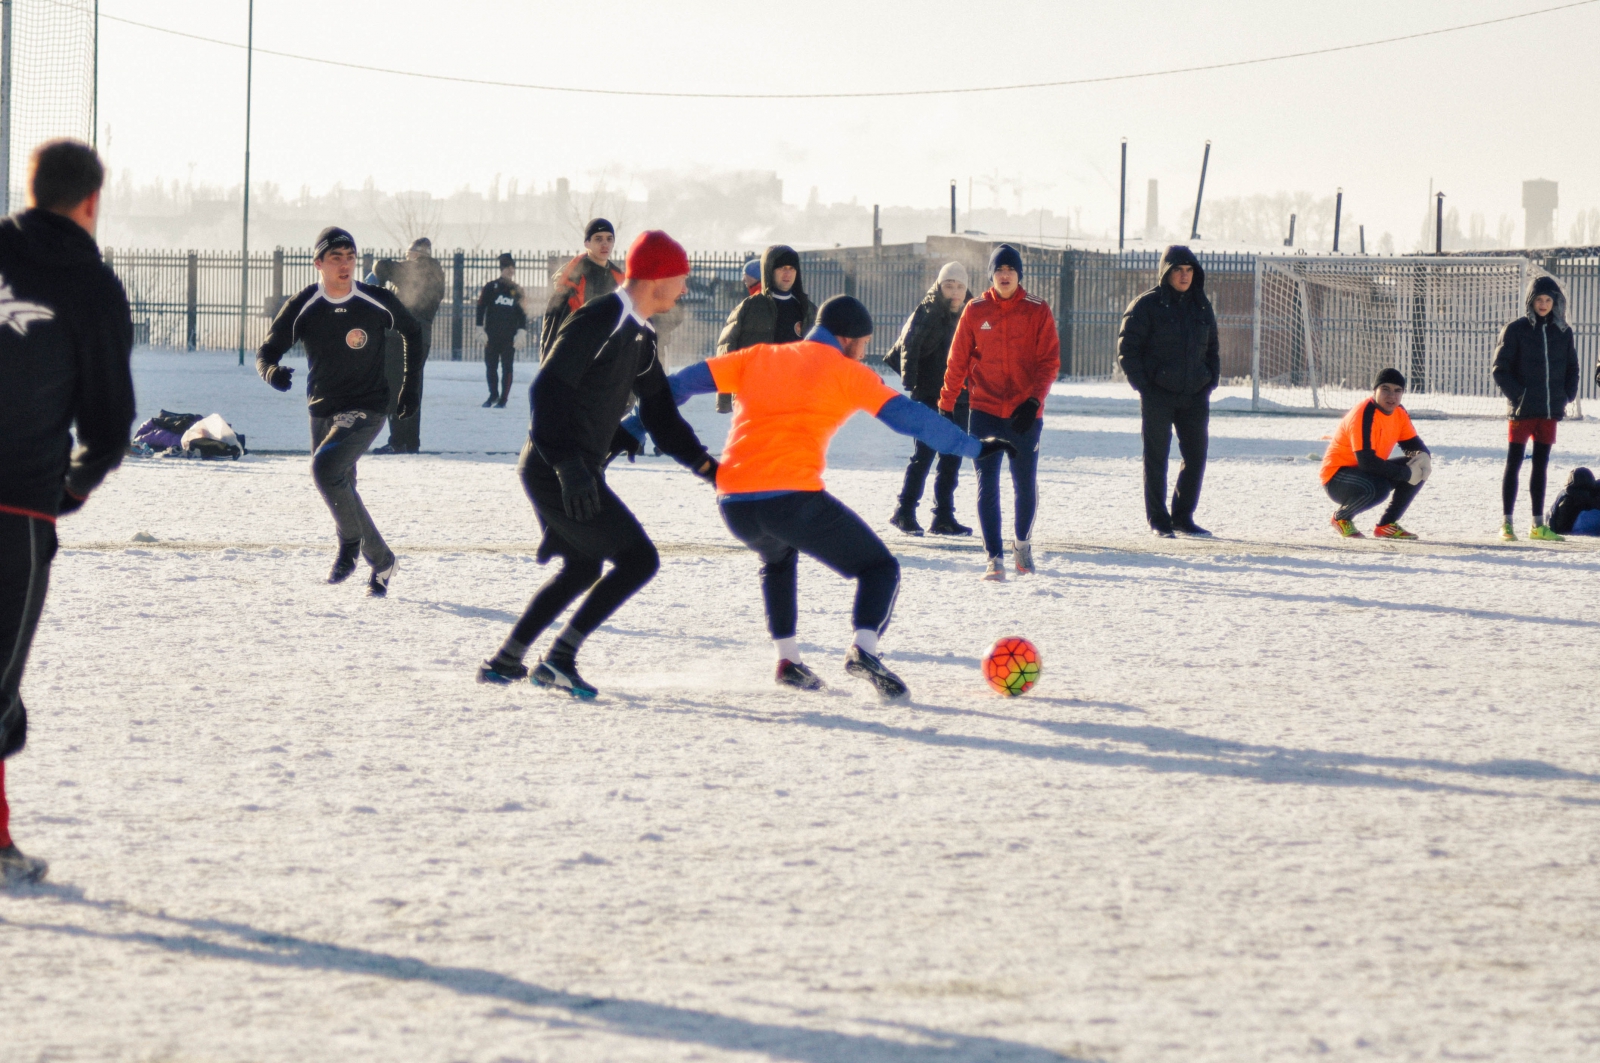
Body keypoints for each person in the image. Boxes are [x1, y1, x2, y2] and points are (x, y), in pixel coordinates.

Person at [643, 295, 1013, 698]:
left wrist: (630, 425)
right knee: (879, 568)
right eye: (864, 342)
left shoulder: (760, 356)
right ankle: (865, 650)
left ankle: (787, 660)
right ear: (847, 338)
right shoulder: (847, 372)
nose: (866, 351)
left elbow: (675, 386)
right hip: (790, 500)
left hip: (733, 502)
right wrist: (975, 447)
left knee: (778, 557)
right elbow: (913, 419)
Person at [477, 231, 719, 698]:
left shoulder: (642, 334)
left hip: (574, 467)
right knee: (638, 560)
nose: (685, 289)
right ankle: (558, 661)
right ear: (658, 278)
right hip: (554, 465)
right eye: (681, 279)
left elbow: (660, 415)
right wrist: (569, 467)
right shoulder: (602, 316)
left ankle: (507, 661)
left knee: (583, 568)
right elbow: (545, 390)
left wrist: (709, 469)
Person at [0, 139, 135, 884]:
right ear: (91, 200)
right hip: (16, 507)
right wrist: (70, 491)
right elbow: (111, 425)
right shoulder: (90, 283)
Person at [257, 226, 424, 595]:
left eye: (350, 256)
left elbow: (414, 332)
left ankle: (348, 546)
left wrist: (411, 387)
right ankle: (382, 562)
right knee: (341, 487)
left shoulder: (375, 299)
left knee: (324, 468)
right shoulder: (304, 304)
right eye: (336, 257)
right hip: (323, 409)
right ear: (318, 263)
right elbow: (266, 352)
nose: (345, 264)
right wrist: (272, 373)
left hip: (367, 407)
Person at [939, 244, 1059, 580]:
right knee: (986, 483)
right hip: (985, 409)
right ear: (991, 275)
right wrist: (946, 404)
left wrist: (1034, 401)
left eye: (1011, 269)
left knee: (1024, 483)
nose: (1005, 275)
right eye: (999, 270)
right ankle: (994, 558)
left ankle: (1021, 545)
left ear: (1019, 274)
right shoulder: (975, 310)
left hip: (1024, 413)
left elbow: (1049, 361)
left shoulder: (1037, 310)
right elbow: (957, 360)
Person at [1117, 245, 1220, 539]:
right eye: (1178, 270)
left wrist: (1210, 380)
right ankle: (1159, 521)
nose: (1184, 276)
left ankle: (1183, 517)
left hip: (1195, 395)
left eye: (1189, 270)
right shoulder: (1146, 305)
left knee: (1196, 456)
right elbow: (1127, 349)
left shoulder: (1202, 304)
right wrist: (1145, 386)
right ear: (1166, 272)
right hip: (1158, 395)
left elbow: (1212, 346)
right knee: (1156, 458)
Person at [887, 261, 974, 536]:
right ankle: (904, 511)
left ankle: (944, 517)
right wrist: (910, 382)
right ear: (940, 286)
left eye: (960, 286)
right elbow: (910, 345)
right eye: (949, 285)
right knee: (923, 456)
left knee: (951, 459)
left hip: (960, 397)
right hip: (929, 396)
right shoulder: (927, 310)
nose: (955, 292)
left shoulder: (972, 312)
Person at [1492, 275, 1579, 542]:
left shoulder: (1563, 331)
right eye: (1539, 299)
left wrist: (1566, 396)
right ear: (1531, 301)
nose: (1543, 304)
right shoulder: (1515, 329)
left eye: (1548, 300)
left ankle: (1537, 525)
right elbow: (1500, 369)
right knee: (1514, 464)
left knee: (1541, 465)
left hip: (1549, 411)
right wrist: (1519, 395)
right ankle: (1507, 524)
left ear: (1556, 302)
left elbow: (1572, 368)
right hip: (1522, 410)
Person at [1319, 368, 1432, 539]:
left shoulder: (1399, 412)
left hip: (1366, 472)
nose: (1391, 396)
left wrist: (1423, 458)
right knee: (1380, 488)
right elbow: (1367, 462)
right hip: (1337, 478)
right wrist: (1406, 473)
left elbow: (1413, 445)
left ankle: (1387, 525)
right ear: (1375, 390)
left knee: (1419, 466)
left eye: (1397, 391)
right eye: (1385, 389)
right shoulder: (1363, 414)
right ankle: (1341, 518)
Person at [714, 244, 818, 413]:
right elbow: (727, 348)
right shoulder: (750, 307)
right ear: (769, 270)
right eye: (781, 268)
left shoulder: (807, 310)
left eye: (791, 268)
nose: (787, 273)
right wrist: (725, 396)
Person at [370, 237, 445, 453]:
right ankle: (411, 441)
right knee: (413, 387)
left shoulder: (416, 270)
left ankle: (398, 441)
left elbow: (382, 266)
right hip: (422, 337)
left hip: (399, 337)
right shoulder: (437, 274)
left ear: (414, 255)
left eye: (408, 255)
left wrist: (380, 279)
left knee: (395, 387)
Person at [541, 217, 624, 355]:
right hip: (576, 354)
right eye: (598, 239)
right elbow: (553, 324)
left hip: (607, 357)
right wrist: (548, 367)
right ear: (587, 243)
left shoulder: (618, 277)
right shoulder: (572, 276)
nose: (605, 244)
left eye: (609, 239)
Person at [477, 252, 527, 408]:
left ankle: (503, 399)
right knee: (491, 366)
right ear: (502, 269)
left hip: (509, 336)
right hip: (491, 335)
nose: (510, 271)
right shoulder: (491, 287)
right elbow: (480, 308)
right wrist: (479, 327)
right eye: (507, 267)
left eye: (512, 268)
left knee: (507, 367)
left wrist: (521, 331)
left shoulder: (517, 290)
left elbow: (523, 313)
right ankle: (493, 395)